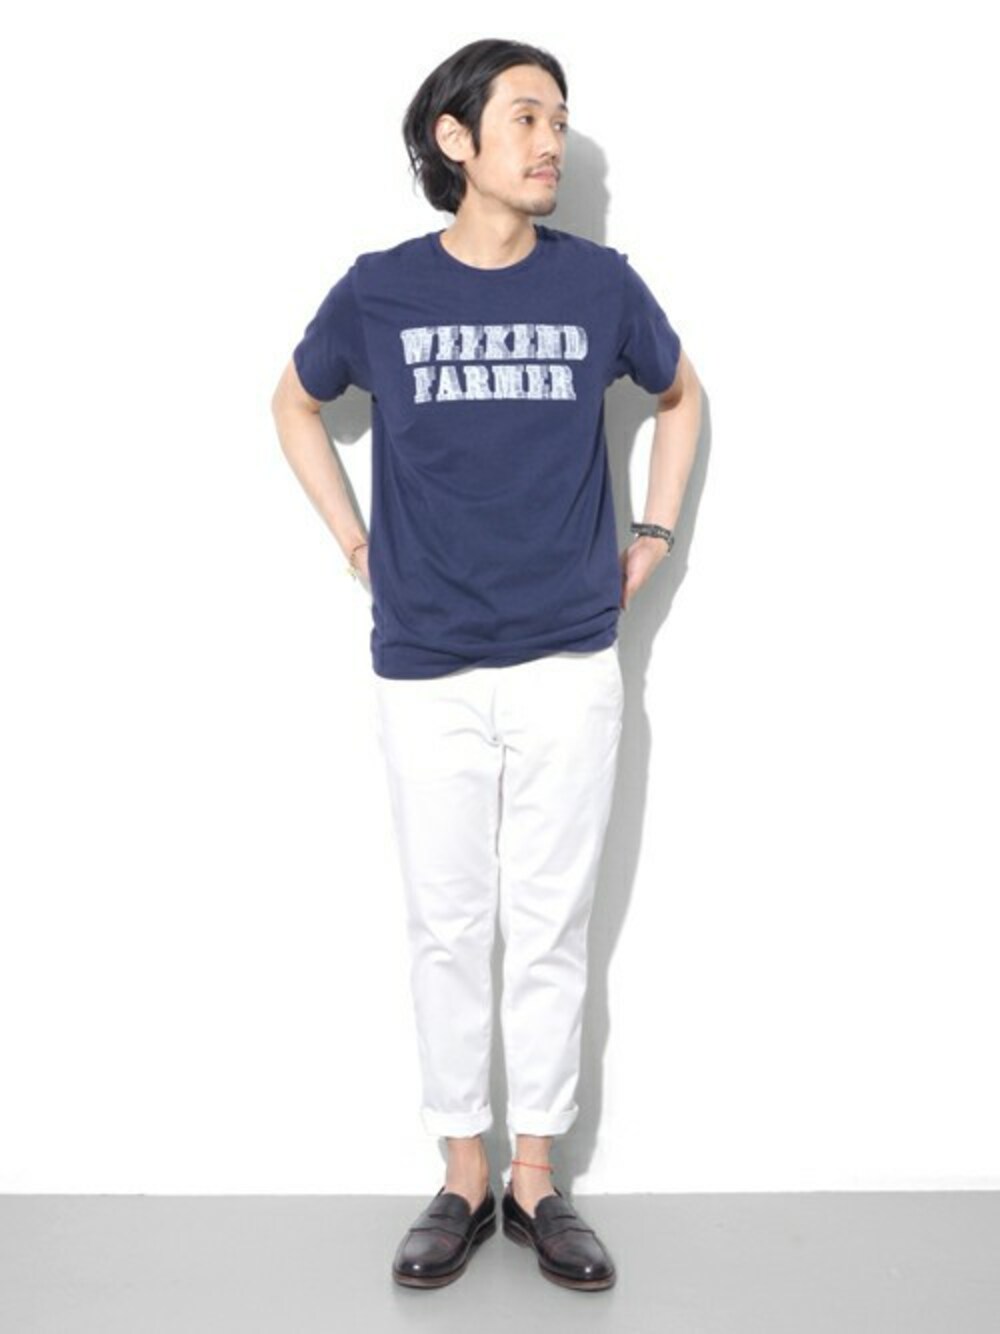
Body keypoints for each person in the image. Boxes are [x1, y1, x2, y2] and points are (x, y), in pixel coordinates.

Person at [271, 37, 701, 1292]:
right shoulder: (380, 291)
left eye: (559, 118)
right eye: (524, 116)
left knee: (551, 921)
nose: (550, 140)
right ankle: (461, 1171)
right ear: (454, 140)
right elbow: (294, 401)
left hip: (568, 654)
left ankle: (534, 1176)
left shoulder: (599, 285)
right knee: (448, 922)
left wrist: (653, 532)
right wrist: (353, 536)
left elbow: (680, 397)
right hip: (427, 657)